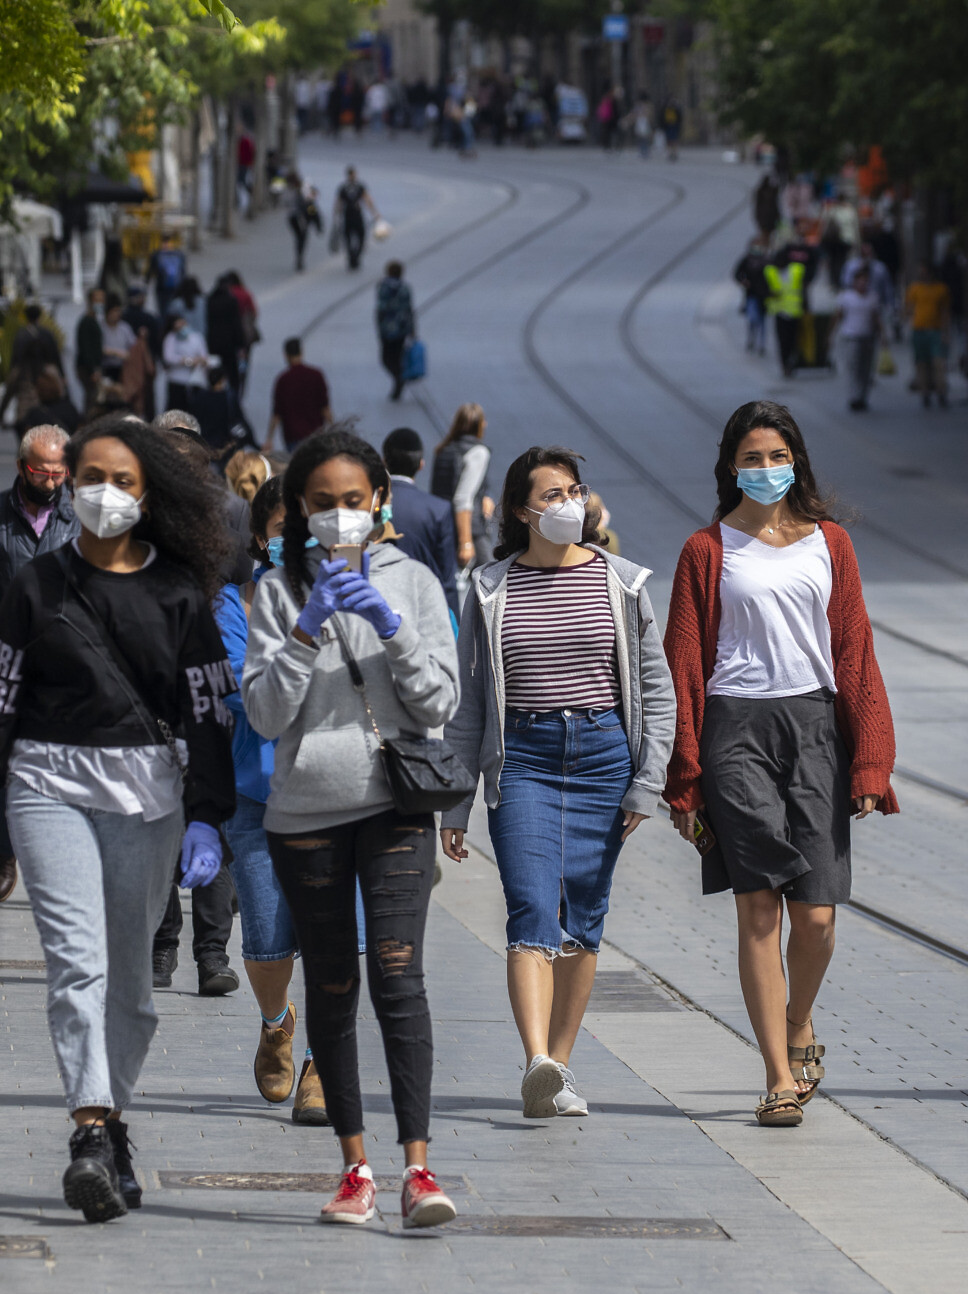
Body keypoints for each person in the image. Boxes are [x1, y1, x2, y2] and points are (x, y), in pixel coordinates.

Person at [0, 415, 235, 1221]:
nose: (103, 492)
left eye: (122, 480)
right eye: (90, 477)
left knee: (132, 987)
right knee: (77, 966)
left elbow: (207, 712)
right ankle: (90, 1131)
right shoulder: (36, 584)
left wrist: (209, 816)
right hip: (46, 785)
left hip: (148, 797)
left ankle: (114, 1119)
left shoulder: (178, 593)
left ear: (150, 494)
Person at [241, 429, 461, 1228]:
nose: (340, 516)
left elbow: (439, 703)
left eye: (352, 501)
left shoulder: (417, 581)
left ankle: (420, 1170)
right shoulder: (274, 589)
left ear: (379, 501)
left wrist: (392, 625)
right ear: (301, 509)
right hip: (305, 812)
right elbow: (265, 715)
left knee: (399, 979)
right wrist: (305, 627)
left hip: (395, 806)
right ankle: (354, 1167)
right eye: (323, 504)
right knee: (332, 985)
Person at [663, 402, 898, 1128]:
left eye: (777, 455)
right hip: (736, 731)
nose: (766, 470)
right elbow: (684, 665)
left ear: (797, 460)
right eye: (752, 458)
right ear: (730, 466)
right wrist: (685, 775)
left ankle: (798, 1020)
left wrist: (871, 762)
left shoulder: (832, 544)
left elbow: (855, 652)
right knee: (759, 905)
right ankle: (774, 1075)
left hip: (816, 728)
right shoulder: (707, 549)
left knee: (818, 916)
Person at [443, 447, 676, 1118]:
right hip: (524, 758)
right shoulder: (488, 586)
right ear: (522, 509)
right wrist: (456, 802)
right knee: (529, 908)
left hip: (604, 756)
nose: (569, 503)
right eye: (552, 494)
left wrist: (647, 782)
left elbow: (657, 693)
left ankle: (562, 1065)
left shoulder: (623, 581)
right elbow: (469, 705)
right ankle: (536, 1060)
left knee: (584, 913)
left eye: (574, 490)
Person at [215, 476, 338, 1126]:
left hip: (334, 795)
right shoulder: (236, 600)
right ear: (260, 535)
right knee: (266, 939)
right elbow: (244, 691)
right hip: (257, 792)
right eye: (283, 526)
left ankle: (318, 1062)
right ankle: (276, 1021)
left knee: (325, 939)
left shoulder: (351, 590)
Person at [0, 425, 80, 902]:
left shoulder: (78, 519)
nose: (51, 484)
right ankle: (7, 848)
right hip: (2, 663)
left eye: (59, 474)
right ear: (20, 467)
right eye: (41, 473)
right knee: (4, 765)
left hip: (62, 666)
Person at [381, 427, 460, 615]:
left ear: (384, 462)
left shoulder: (369, 505)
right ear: (421, 465)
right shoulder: (438, 509)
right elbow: (447, 578)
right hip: (422, 609)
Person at [430, 404, 494, 575]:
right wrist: (466, 542)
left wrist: (484, 496)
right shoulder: (478, 452)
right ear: (480, 425)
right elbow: (462, 498)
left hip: (442, 523)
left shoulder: (443, 450)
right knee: (489, 577)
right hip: (468, 527)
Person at [265, 338, 332, 454]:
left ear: (286, 355)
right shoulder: (316, 375)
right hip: (316, 436)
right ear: (302, 352)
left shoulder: (283, 380)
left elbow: (276, 414)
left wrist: (269, 438)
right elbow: (325, 409)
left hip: (293, 437)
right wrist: (334, 430)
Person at [833, 269, 882, 412]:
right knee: (853, 368)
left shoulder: (872, 297)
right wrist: (831, 334)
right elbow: (838, 315)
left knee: (866, 370)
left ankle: (863, 397)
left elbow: (876, 318)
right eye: (860, 280)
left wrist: (882, 336)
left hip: (868, 337)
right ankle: (854, 397)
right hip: (851, 337)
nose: (862, 284)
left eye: (865, 281)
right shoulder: (846, 297)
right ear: (854, 282)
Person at [904, 262, 951, 407]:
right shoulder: (914, 289)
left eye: (925, 272)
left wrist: (945, 332)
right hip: (919, 330)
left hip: (935, 330)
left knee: (939, 363)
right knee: (921, 363)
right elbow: (908, 309)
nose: (922, 275)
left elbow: (945, 312)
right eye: (921, 272)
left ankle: (941, 391)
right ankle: (925, 393)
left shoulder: (941, 289)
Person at [205, 273, 251, 415]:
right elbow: (236, 324)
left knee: (215, 373)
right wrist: (241, 345)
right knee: (233, 375)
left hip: (213, 344)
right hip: (229, 345)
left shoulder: (210, 301)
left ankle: (214, 399)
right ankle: (233, 402)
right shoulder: (231, 301)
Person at [376, 260, 417, 402]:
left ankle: (398, 378)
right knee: (397, 357)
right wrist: (413, 329)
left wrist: (378, 326)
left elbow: (380, 308)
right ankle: (399, 380)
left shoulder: (383, 286)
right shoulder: (405, 287)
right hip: (402, 329)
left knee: (385, 358)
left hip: (387, 329)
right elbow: (410, 310)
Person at [765, 249, 806, 377]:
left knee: (793, 340)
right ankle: (785, 364)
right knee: (783, 341)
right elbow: (764, 288)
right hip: (779, 311)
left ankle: (791, 363)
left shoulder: (797, 270)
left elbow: (803, 289)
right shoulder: (771, 272)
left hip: (794, 311)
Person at [161, 311, 209, 418]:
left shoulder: (196, 337)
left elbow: (203, 355)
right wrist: (188, 361)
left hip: (195, 380)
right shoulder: (171, 338)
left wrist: (199, 361)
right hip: (176, 380)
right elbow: (168, 357)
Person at [334, 167, 380, 270]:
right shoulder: (347, 187)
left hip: (354, 215)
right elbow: (339, 203)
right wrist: (336, 215)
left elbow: (367, 200)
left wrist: (374, 213)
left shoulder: (356, 186)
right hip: (350, 215)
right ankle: (352, 257)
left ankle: (354, 257)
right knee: (350, 238)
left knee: (359, 237)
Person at [734, 235, 771, 358]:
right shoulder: (747, 259)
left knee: (762, 321)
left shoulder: (767, 260)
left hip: (764, 295)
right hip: (751, 295)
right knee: (753, 318)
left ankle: (761, 344)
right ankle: (751, 340)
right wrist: (743, 281)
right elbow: (737, 273)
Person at [74, 288, 106, 400]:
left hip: (90, 367)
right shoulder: (87, 322)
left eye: (102, 299)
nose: (101, 302)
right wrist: (93, 370)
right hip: (87, 368)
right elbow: (86, 348)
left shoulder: (94, 320)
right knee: (92, 398)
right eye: (98, 299)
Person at [149, 234, 187, 315]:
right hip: (176, 287)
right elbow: (183, 271)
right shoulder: (179, 254)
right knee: (175, 309)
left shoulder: (157, 254)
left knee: (163, 309)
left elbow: (151, 270)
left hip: (162, 288)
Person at [288, 180, 322, 271]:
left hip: (297, 220)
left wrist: (318, 226)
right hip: (298, 221)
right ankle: (299, 258)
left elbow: (314, 214)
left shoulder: (306, 200)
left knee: (300, 239)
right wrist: (318, 227)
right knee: (301, 239)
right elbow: (312, 214)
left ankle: (299, 258)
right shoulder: (305, 200)